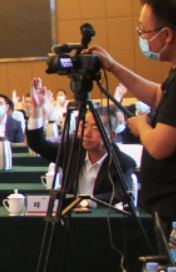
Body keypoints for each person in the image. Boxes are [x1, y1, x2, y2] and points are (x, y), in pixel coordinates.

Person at [89, 0, 176, 258]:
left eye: (144, 32)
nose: (143, 38)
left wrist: (141, 126)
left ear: (167, 34)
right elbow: (157, 95)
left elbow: (161, 147)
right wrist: (114, 67)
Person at [27, 78, 136, 206]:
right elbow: (37, 144)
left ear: (112, 136)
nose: (87, 133)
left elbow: (121, 194)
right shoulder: (73, 149)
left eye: (95, 128)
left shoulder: (123, 161)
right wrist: (37, 110)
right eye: (85, 127)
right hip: (70, 214)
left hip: (102, 216)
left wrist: (85, 203)